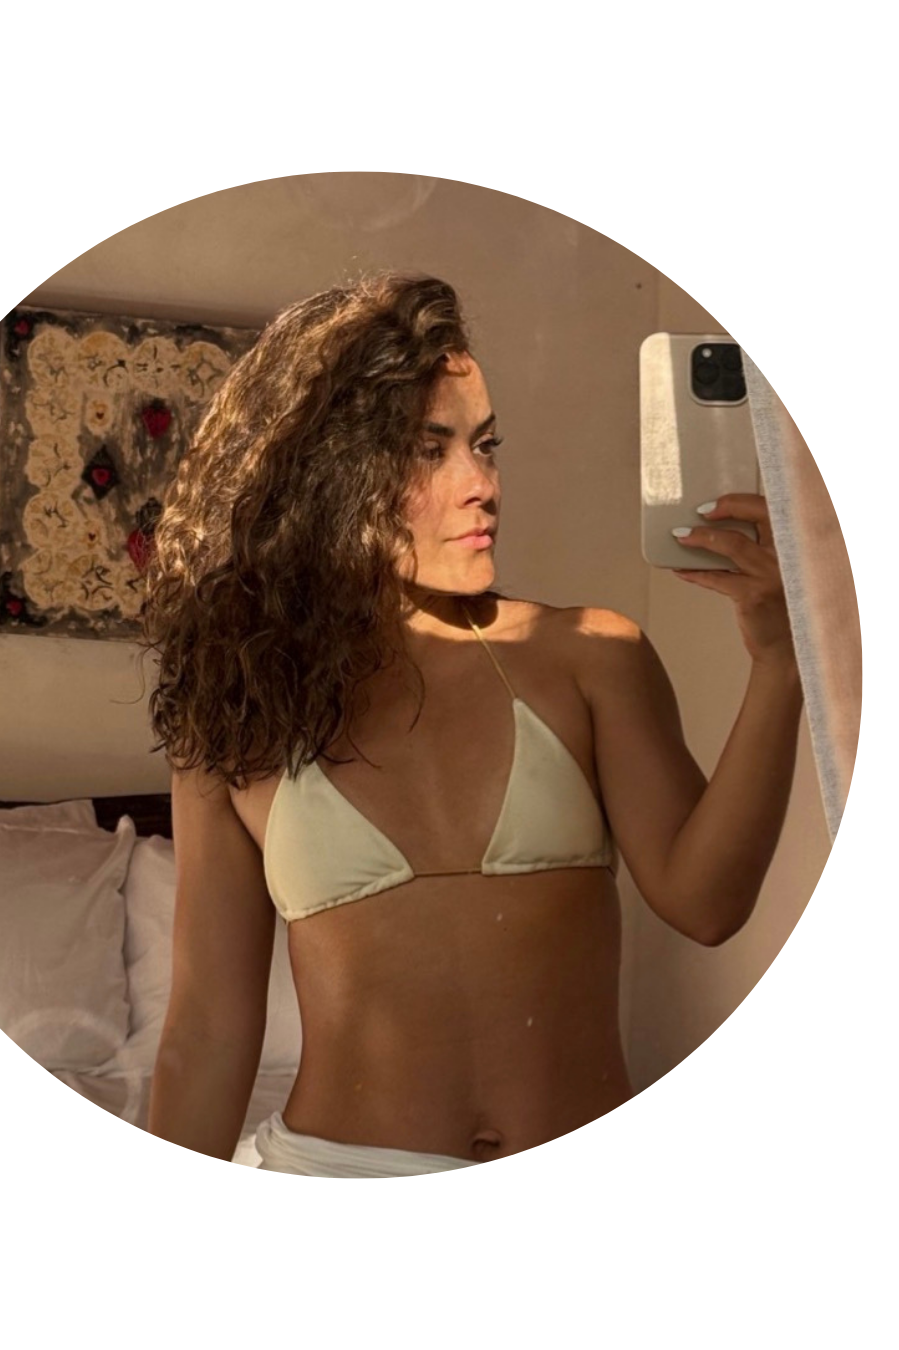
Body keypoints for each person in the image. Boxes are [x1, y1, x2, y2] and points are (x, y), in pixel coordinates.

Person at [142, 272, 803, 1177]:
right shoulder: (239, 714)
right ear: (329, 470)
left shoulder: (590, 655)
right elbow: (208, 1032)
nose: (482, 484)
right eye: (431, 450)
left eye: (486, 445)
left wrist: (780, 665)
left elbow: (709, 904)